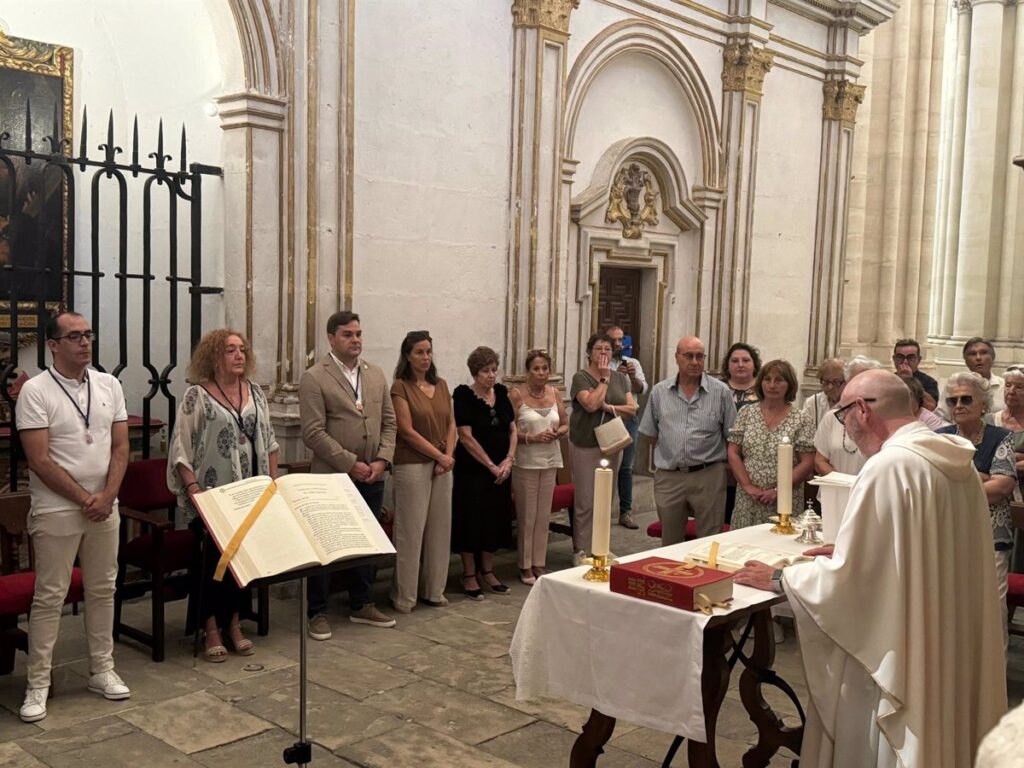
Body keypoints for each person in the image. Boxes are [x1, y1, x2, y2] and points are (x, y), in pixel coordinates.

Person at [735, 370, 1007, 768]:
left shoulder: (888, 467)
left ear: (861, 410)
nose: (844, 427)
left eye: (843, 414)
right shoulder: (956, 462)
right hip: (943, 637)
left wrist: (781, 577)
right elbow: (919, 552)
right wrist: (852, 549)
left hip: (898, 645)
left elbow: (849, 587)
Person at [15, 312, 130, 722]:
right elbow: (39, 459)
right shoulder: (36, 392)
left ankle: (102, 669)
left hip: (104, 505)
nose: (85, 343)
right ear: (54, 345)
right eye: (75, 336)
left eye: (89, 335)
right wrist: (86, 498)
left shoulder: (109, 384)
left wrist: (108, 495)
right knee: (50, 596)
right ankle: (38, 684)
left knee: (103, 589)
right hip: (58, 508)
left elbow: (120, 447)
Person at [168, 329, 279, 661]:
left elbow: (270, 439)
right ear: (213, 356)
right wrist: (193, 490)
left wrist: (273, 484)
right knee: (212, 563)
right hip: (213, 497)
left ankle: (234, 623)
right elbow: (180, 448)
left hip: (251, 494)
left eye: (242, 349)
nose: (239, 355)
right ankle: (211, 627)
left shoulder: (255, 392)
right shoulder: (197, 396)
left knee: (240, 562)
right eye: (230, 350)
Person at [299, 311, 397, 638]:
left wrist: (382, 460)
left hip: (373, 474)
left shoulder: (375, 374)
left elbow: (389, 422)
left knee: (367, 541)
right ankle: (317, 611)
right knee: (326, 544)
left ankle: (362, 604)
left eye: (358, 333)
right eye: (347, 334)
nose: (355, 340)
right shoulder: (315, 377)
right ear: (331, 338)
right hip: (333, 477)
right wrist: (350, 462)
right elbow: (313, 433)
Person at [936, 372, 1017, 643]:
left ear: (983, 404)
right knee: (950, 613)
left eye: (966, 399)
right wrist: (980, 476)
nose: (958, 405)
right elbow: (933, 484)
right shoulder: (940, 437)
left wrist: (959, 483)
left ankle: (993, 683)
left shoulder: (1000, 437)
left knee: (990, 614)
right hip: (947, 538)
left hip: (990, 538)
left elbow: (1002, 487)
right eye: (952, 400)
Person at [638, 336, 735, 543]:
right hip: (670, 477)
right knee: (670, 541)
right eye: (688, 356)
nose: (694, 361)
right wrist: (672, 455)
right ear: (677, 358)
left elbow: (732, 437)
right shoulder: (659, 392)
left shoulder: (721, 392)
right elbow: (651, 435)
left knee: (710, 541)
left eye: (700, 356)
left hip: (708, 475)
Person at [389, 330, 456, 613]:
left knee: (440, 530)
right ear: (407, 356)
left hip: (443, 465)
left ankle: (434, 590)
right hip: (412, 464)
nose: (425, 357)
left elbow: (452, 424)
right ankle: (405, 597)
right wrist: (439, 454)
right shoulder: (400, 387)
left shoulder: (440, 385)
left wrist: (448, 456)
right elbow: (405, 430)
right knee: (411, 531)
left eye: (428, 351)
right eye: (419, 352)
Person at [452, 346, 516, 599]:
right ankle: (469, 574)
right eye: (485, 371)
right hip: (473, 471)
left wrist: (509, 460)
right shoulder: (463, 396)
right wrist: (490, 465)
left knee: (494, 518)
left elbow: (512, 429)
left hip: (501, 469)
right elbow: (465, 437)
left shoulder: (501, 393)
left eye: (494, 370)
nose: (491, 375)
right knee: (471, 520)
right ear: (474, 373)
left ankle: (488, 570)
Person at [568, 332, 637, 563]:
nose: (604, 353)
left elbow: (632, 408)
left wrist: (608, 407)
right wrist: (604, 379)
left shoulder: (621, 378)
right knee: (586, 500)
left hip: (612, 442)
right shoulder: (581, 378)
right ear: (589, 352)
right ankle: (581, 550)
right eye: (599, 349)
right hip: (586, 444)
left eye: (608, 349)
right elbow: (590, 404)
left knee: (606, 497)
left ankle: (601, 547)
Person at [727, 359, 815, 528]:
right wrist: (747, 486)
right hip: (748, 497)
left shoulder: (801, 419)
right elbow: (733, 452)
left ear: (789, 385)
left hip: (784, 498)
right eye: (767, 379)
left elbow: (807, 462)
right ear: (760, 383)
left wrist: (777, 491)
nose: (772, 385)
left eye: (779, 380)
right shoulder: (746, 413)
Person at [510, 348, 567, 585]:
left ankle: (539, 562)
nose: (541, 372)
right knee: (527, 516)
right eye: (536, 368)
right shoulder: (516, 395)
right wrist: (530, 438)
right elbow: (510, 429)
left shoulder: (555, 393)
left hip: (550, 459)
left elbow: (565, 424)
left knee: (543, 515)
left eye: (545, 368)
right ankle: (524, 565)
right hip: (526, 462)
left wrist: (557, 433)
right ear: (528, 371)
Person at [812, 357, 881, 478]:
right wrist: (844, 482)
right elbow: (820, 461)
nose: (861, 386)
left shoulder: (885, 417)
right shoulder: (832, 417)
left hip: (868, 491)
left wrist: (858, 486)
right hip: (835, 491)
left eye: (867, 381)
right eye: (855, 381)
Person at [606, 326, 647, 529]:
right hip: (609, 419)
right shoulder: (602, 364)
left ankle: (626, 512)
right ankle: (602, 512)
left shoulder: (633, 363)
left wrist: (631, 377)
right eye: (614, 341)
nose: (618, 345)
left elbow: (642, 388)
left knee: (626, 467)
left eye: (621, 340)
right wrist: (616, 376)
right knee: (605, 467)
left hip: (629, 420)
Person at [937, 337, 1005, 420]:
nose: (978, 358)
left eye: (983, 353)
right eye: (973, 354)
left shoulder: (1004, 387)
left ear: (992, 357)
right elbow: (941, 416)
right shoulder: (954, 385)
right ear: (965, 360)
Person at [992, 365, 1024, 485]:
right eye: (1008, 385)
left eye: (1019, 387)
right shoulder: (990, 420)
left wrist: (1000, 465)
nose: (1011, 391)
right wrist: (1014, 458)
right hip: (994, 489)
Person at [892, 338, 938, 410]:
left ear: (918, 360)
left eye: (911, 358)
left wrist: (910, 381)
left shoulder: (928, 381)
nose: (905, 362)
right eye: (900, 357)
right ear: (894, 359)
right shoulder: (888, 379)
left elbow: (931, 406)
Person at [800, 358, 845, 428]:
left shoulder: (852, 404)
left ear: (846, 381)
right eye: (826, 382)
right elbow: (804, 432)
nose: (830, 386)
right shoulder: (812, 403)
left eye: (836, 382)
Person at [720, 342, 761, 410]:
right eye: (735, 361)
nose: (740, 365)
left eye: (746, 360)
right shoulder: (717, 387)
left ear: (755, 364)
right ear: (727, 365)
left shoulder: (764, 388)